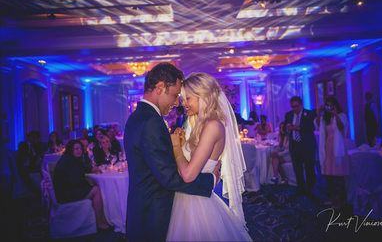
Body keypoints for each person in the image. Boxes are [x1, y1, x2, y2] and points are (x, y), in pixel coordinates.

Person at [123, 63, 219, 242]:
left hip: (144, 206)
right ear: (160, 87)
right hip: (152, 213)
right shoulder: (151, 122)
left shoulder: (138, 117)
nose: (177, 103)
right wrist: (210, 179)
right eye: (175, 96)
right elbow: (168, 178)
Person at [167, 72, 251, 241]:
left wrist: (176, 147)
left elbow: (188, 174)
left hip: (197, 203)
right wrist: (183, 144)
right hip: (188, 197)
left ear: (203, 97)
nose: (183, 104)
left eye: (188, 98)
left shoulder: (213, 125)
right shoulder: (200, 124)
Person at [53, 140, 111, 230]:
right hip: (66, 193)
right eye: (76, 149)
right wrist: (88, 183)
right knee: (96, 190)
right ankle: (99, 222)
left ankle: (97, 218)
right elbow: (74, 180)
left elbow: (82, 169)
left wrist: (91, 170)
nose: (79, 151)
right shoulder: (68, 161)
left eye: (80, 148)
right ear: (70, 150)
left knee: (93, 185)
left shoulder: (71, 159)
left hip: (67, 189)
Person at [315, 97, 349, 208]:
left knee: (339, 175)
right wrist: (319, 113)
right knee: (328, 175)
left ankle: (342, 200)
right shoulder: (325, 118)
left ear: (335, 106)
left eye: (331, 105)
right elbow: (317, 125)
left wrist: (335, 115)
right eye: (327, 105)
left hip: (337, 147)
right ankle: (333, 197)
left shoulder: (341, 116)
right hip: (327, 147)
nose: (329, 108)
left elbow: (342, 128)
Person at [284, 96, 317, 197]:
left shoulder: (309, 113)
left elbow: (312, 127)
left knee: (309, 168)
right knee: (297, 169)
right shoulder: (289, 115)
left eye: (296, 106)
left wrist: (299, 128)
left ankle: (310, 190)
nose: (294, 109)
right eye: (292, 107)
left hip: (307, 145)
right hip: (295, 145)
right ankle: (300, 188)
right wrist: (288, 128)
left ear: (301, 105)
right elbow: (285, 129)